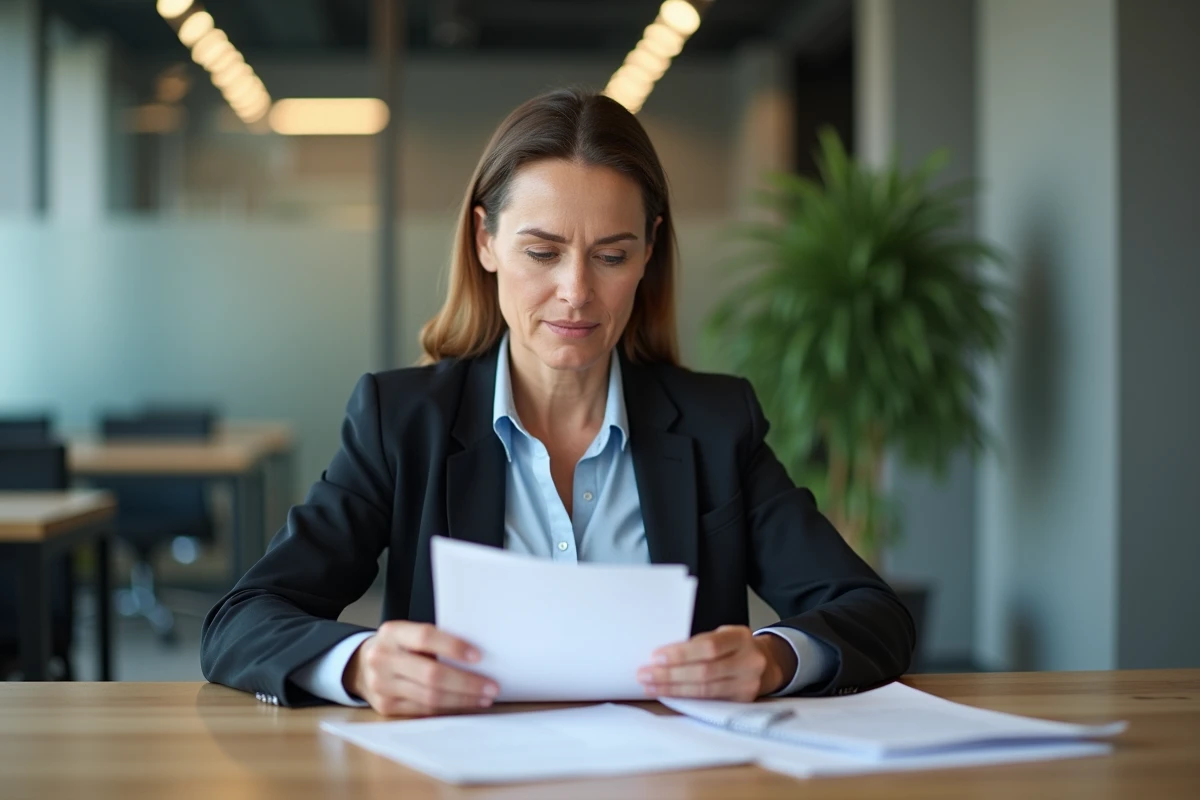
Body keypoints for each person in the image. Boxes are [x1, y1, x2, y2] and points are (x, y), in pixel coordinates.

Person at [200, 88, 914, 715]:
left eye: (611, 255)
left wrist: (772, 659)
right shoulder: (403, 421)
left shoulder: (716, 424)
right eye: (542, 252)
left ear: (648, 253)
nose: (577, 291)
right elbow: (243, 620)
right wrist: (359, 666)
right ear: (485, 240)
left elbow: (873, 614)